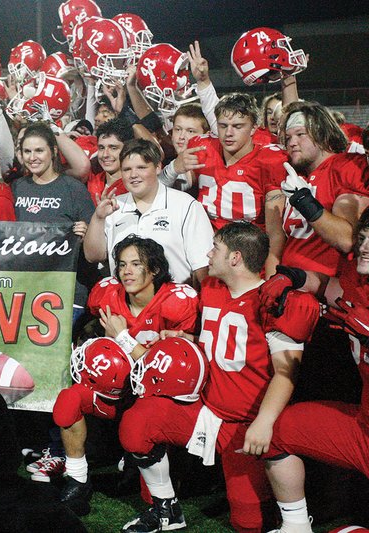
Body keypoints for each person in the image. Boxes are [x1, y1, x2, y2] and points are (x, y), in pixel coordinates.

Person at [118, 222, 319, 533]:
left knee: (248, 523)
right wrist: (185, 336)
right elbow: (221, 338)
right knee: (137, 422)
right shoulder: (212, 289)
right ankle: (165, 509)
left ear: (236, 258)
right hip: (204, 409)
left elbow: (286, 372)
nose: (209, 254)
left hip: (244, 423)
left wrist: (264, 422)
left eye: (216, 249)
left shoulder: (274, 301)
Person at [47, 236, 199, 514]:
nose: (126, 271)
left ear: (154, 269)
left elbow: (171, 373)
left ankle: (153, 478)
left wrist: (125, 339)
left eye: (136, 264)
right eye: (121, 264)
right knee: (69, 400)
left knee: (151, 498)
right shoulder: (107, 295)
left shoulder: (176, 303)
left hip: (157, 398)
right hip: (117, 391)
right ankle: (78, 480)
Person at [260, 207, 369, 533]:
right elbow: (328, 286)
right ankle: (295, 527)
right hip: (363, 431)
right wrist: (291, 276)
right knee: (276, 432)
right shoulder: (359, 281)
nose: (363, 246)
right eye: (363, 238)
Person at [84, 139, 213, 289]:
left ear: (158, 167)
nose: (133, 175)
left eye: (141, 167)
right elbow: (93, 257)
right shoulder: (111, 207)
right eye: (127, 169)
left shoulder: (186, 205)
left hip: (173, 305)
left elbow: (203, 267)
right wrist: (98, 219)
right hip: (124, 306)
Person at [183, 93, 288, 274]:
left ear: (254, 127)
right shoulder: (202, 147)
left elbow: (275, 233)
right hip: (206, 250)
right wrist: (173, 168)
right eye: (223, 126)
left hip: (249, 255)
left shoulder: (270, 160)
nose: (228, 133)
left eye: (238, 126)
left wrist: (271, 277)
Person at [12, 122, 95, 323]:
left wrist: (87, 234)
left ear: (54, 151)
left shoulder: (73, 189)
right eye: (27, 151)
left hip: (66, 292)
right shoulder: (16, 188)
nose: (33, 157)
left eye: (39, 150)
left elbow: (97, 244)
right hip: (25, 290)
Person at [278, 100, 369, 279]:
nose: (292, 143)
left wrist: (305, 202)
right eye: (288, 137)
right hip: (291, 284)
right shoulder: (295, 175)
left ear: (322, 134)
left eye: (300, 134)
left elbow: (347, 239)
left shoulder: (344, 166)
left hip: (325, 289)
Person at [158, 104, 210, 191]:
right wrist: (173, 169)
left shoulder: (217, 163)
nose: (181, 136)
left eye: (190, 131)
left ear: (206, 135)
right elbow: (152, 196)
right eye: (178, 129)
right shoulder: (167, 163)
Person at [86, 117, 134, 201]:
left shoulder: (135, 186)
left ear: (128, 149)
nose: (105, 154)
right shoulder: (91, 179)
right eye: (101, 148)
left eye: (113, 148)